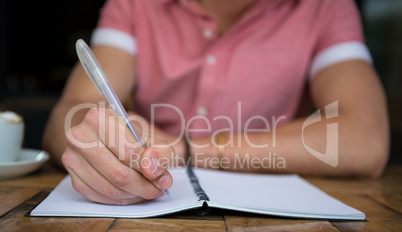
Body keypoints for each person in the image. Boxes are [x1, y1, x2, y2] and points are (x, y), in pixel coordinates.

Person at [43, 0, 390, 205]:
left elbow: (366, 138)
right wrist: (96, 139)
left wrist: (185, 150)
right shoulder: (134, 5)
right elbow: (71, 111)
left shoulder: (327, 8)